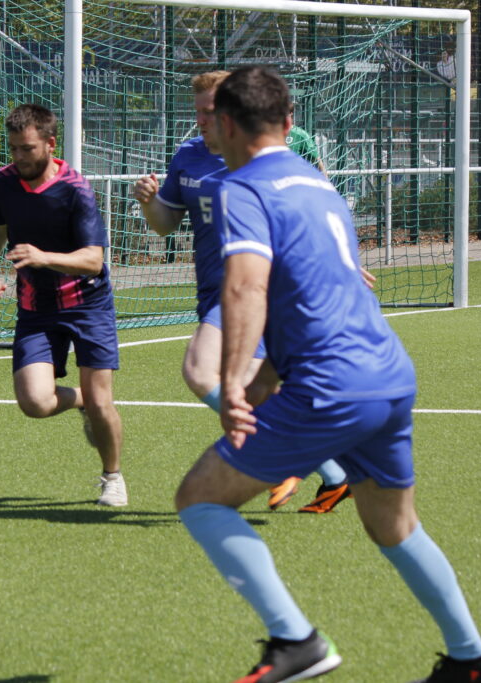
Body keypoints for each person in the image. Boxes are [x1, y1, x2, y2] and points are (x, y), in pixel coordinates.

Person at [174, 66, 481, 683]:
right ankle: (472, 660)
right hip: (388, 374)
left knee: (199, 497)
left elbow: (246, 286)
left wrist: (236, 380)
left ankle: (296, 643)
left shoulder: (240, 188)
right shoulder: (321, 187)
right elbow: (322, 297)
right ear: (290, 123)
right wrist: (268, 377)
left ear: (228, 124)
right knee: (394, 525)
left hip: (330, 385)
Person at [133, 72, 351, 515]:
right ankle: (335, 474)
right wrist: (148, 202)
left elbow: (316, 209)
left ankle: (276, 456)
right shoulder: (188, 157)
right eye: (197, 111)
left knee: (199, 370)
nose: (202, 120)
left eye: (211, 111)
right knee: (258, 395)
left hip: (253, 292)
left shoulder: (260, 161)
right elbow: (166, 224)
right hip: (216, 290)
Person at [0, 103, 126, 506]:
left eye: (27, 149)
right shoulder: (2, 183)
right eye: (12, 149)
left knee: (103, 403)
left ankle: (112, 477)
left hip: (88, 304)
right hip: (36, 307)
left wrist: (45, 257)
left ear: (49, 143)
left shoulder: (75, 188)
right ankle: (81, 399)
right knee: (35, 403)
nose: (19, 158)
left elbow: (93, 260)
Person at [286, 103, 327, 176]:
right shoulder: (269, 134)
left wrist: (327, 183)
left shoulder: (300, 134)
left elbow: (317, 161)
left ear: (290, 113)